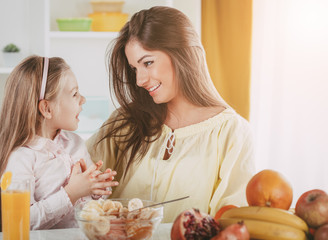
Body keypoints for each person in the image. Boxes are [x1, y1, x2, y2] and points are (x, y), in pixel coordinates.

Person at [86, 6, 255, 223]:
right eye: (135, 68)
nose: (140, 80)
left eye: (148, 63)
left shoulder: (232, 132)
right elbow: (76, 172)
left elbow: (230, 221)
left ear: (182, 53)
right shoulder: (126, 120)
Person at [0, 55, 119, 231]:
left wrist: (95, 190)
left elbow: (89, 208)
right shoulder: (21, 159)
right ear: (47, 109)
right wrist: (71, 193)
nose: (83, 100)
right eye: (74, 94)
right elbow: (21, 220)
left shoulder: (76, 144)